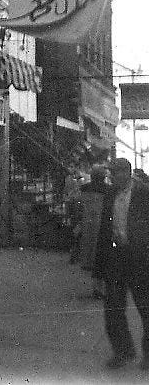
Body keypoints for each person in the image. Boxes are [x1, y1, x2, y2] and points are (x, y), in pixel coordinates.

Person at [94, 157, 149, 370]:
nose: (111, 178)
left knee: (146, 309)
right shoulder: (110, 194)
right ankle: (123, 352)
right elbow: (104, 231)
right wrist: (98, 270)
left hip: (140, 259)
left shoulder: (144, 193)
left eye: (114, 174)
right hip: (116, 257)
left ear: (126, 173)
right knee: (113, 309)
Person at [79, 164, 107, 298]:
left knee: (93, 257)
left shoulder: (84, 189)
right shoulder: (109, 190)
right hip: (103, 226)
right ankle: (102, 288)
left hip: (88, 226)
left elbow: (79, 206)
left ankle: (97, 288)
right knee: (103, 257)